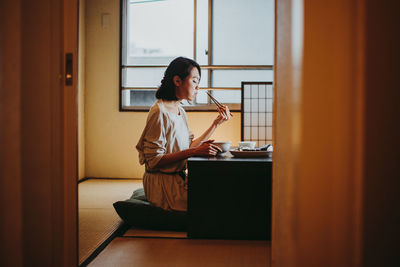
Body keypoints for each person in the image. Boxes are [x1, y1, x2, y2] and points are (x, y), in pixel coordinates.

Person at [136, 57, 231, 212]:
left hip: (177, 179)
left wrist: (215, 124)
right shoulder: (159, 112)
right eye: (194, 81)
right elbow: (154, 160)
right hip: (162, 185)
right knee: (215, 204)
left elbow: (188, 147)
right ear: (177, 81)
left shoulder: (180, 110)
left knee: (222, 189)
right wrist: (194, 151)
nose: (197, 87)